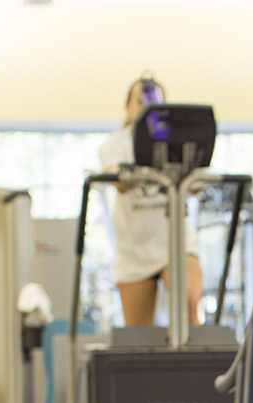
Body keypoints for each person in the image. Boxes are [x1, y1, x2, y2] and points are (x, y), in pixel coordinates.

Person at [98, 76, 203, 327]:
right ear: (128, 106)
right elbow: (120, 182)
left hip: (174, 242)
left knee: (189, 310)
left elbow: (197, 185)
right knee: (139, 333)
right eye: (140, 101)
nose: (146, 108)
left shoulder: (177, 141)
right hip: (134, 247)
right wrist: (149, 162)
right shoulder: (115, 144)